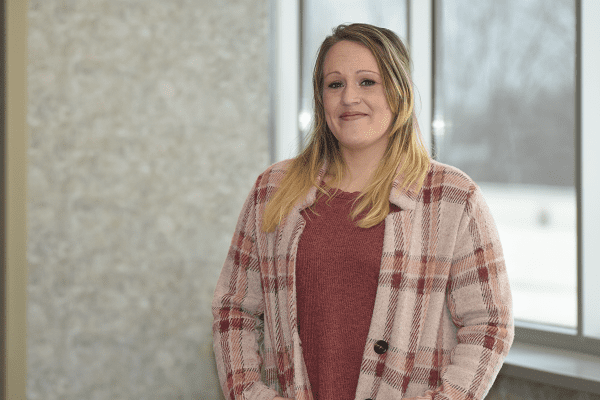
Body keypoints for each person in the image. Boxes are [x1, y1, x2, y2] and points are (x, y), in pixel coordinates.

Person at [212, 23, 513, 400]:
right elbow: (233, 309)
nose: (349, 98)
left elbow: (489, 324)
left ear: (399, 92)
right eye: (334, 84)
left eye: (367, 82)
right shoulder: (272, 190)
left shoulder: (452, 197)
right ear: (321, 99)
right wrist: (250, 393)